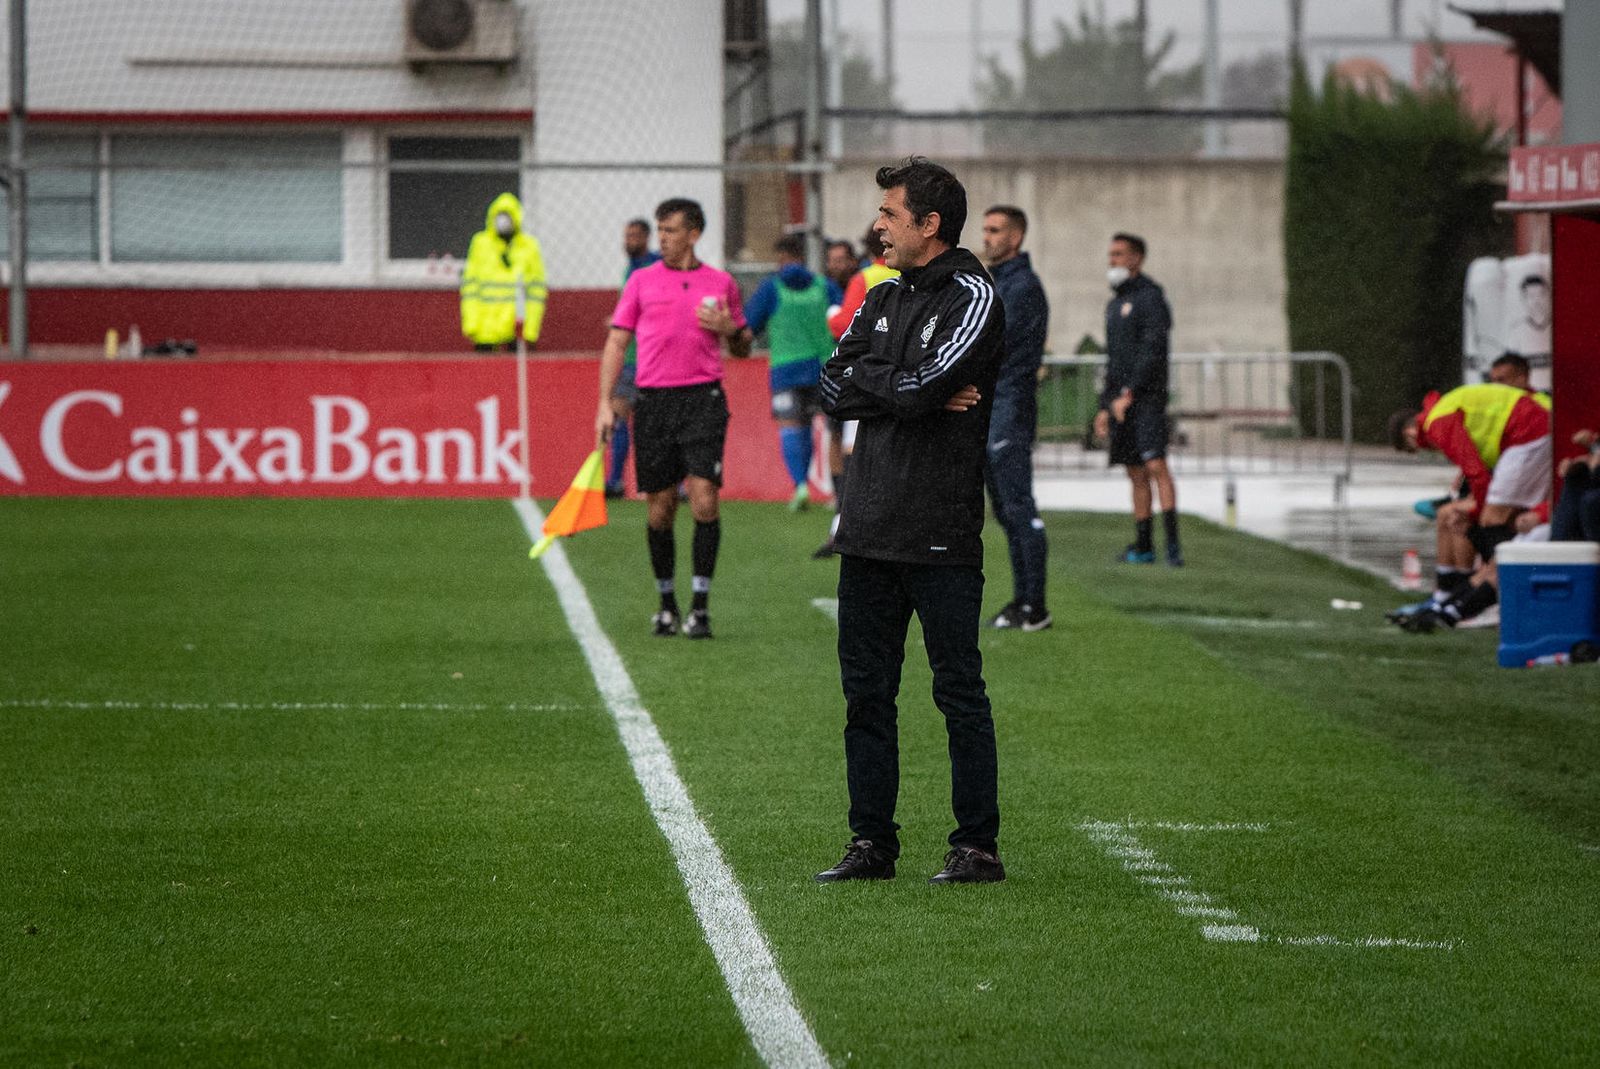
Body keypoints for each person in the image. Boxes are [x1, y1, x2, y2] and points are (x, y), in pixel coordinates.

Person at [814, 156, 1007, 886]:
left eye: (890, 214)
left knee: (958, 690)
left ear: (929, 223)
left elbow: (928, 388)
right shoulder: (881, 295)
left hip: (940, 527)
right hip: (865, 525)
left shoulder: (974, 294)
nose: (878, 226)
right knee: (866, 694)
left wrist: (889, 384)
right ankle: (871, 843)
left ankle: (976, 846)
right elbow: (834, 386)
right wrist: (897, 387)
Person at [595, 198, 751, 639]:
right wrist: (605, 402)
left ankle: (700, 607)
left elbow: (742, 345)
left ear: (694, 234)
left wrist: (730, 330)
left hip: (703, 400)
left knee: (703, 498)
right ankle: (666, 603)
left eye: (670, 230)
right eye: (660, 230)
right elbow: (616, 343)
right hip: (654, 403)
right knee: (660, 508)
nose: (662, 238)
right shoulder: (641, 281)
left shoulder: (721, 282)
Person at [1386, 382, 1553, 631]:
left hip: (1527, 431)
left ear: (1411, 433)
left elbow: (1477, 475)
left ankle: (1497, 596)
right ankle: (1465, 596)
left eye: (1414, 449)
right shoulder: (1441, 412)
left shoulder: (1436, 424)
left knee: (1489, 520)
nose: (1424, 449)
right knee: (1495, 520)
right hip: (1529, 429)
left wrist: (1475, 514)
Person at [979, 205, 1052, 631]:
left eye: (995, 230)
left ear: (1016, 237)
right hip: (994, 409)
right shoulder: (1001, 282)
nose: (986, 237)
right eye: (985, 229)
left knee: (1019, 506)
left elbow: (995, 348)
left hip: (1009, 409)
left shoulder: (1022, 287)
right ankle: (1023, 601)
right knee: (1006, 511)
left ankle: (1035, 605)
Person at [1093, 233, 1181, 566]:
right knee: (1134, 471)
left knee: (1156, 464)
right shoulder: (1115, 304)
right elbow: (1114, 361)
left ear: (1136, 258)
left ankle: (1173, 547)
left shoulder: (1151, 298)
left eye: (1118, 254)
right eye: (1110, 254)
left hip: (1147, 399)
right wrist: (1105, 405)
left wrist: (1130, 393)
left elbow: (1152, 351)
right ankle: (1143, 546)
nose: (1111, 261)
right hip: (1119, 402)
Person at [814, 226, 901, 559]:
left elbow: (843, 326)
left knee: (851, 451)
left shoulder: (867, 277)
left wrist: (832, 314)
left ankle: (845, 524)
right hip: (902, 378)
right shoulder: (913, 275)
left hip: (865, 377)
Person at [743, 234, 843, 510]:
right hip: (824, 368)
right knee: (830, 430)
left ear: (782, 258)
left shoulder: (772, 288)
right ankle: (839, 493)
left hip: (786, 369)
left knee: (792, 427)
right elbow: (845, 320)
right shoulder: (825, 286)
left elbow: (749, 324)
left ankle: (800, 485)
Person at [604, 218, 662, 498]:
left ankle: (672, 482)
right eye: (627, 235)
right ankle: (615, 480)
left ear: (648, 237)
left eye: (636, 236)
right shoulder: (631, 269)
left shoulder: (655, 267)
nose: (630, 241)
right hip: (630, 356)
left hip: (653, 357)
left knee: (660, 423)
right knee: (618, 416)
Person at [461, 192, 547, 352]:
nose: (503, 221)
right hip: (485, 330)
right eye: (499, 215)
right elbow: (470, 288)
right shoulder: (480, 244)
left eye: (508, 215)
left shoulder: (528, 247)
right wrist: (471, 324)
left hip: (516, 327)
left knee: (515, 374)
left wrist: (530, 331)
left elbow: (536, 292)